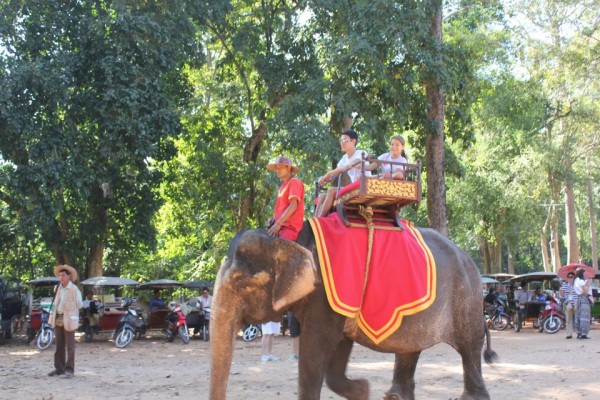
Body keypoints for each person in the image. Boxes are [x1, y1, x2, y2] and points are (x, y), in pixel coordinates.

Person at [315, 129, 370, 217]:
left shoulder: (361, 153)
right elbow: (335, 174)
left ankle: (320, 218)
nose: (342, 143)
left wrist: (329, 173)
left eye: (344, 140)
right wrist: (324, 179)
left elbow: (347, 167)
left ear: (353, 142)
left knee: (331, 190)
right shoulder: (344, 158)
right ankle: (314, 220)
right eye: (341, 140)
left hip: (362, 186)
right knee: (322, 196)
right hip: (353, 187)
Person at [48, 264, 83, 378]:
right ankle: (59, 368)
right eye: (60, 275)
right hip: (58, 317)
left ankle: (69, 369)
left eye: (63, 275)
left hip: (69, 319)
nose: (61, 278)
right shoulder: (57, 288)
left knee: (70, 346)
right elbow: (55, 303)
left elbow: (80, 304)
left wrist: (71, 310)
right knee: (59, 345)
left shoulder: (74, 289)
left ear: (69, 276)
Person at [265, 156, 305, 241]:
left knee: (279, 249)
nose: (278, 170)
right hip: (280, 226)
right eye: (276, 168)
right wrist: (274, 220)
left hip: (290, 227)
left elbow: (293, 205)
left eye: (281, 167)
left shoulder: (294, 182)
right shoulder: (282, 186)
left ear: (289, 168)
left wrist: (278, 223)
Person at [573, 268, 593, 339]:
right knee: (584, 317)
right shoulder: (581, 281)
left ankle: (579, 332)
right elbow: (586, 291)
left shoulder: (575, 280)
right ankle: (584, 334)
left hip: (579, 299)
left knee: (579, 316)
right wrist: (588, 284)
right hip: (584, 299)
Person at [559, 272, 578, 339]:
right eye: (569, 277)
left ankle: (579, 332)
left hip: (576, 303)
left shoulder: (576, 285)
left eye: (571, 277)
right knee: (568, 319)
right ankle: (569, 334)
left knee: (577, 319)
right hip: (568, 304)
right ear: (567, 278)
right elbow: (561, 296)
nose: (570, 278)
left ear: (574, 278)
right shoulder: (564, 285)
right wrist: (561, 289)